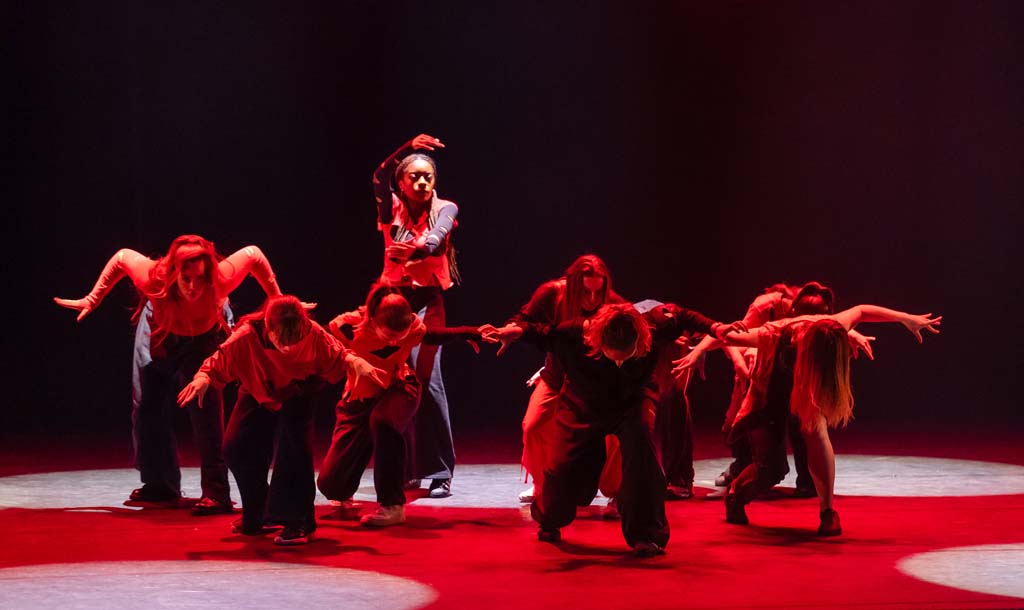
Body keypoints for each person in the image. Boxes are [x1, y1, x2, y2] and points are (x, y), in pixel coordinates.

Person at [486, 303, 742, 556]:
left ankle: (646, 535)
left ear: (640, 340)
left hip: (631, 402)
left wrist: (716, 327)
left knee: (642, 463)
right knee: (563, 468)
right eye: (613, 357)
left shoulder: (655, 325)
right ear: (597, 342)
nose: (619, 363)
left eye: (626, 357)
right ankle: (549, 520)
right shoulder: (575, 332)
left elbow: (686, 315)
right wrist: (515, 331)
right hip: (582, 403)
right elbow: (539, 331)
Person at [55, 235, 283, 515]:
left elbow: (254, 253)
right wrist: (94, 298)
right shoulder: (154, 278)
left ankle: (216, 493)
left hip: (204, 336)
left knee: (206, 408)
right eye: (186, 279)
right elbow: (123, 257)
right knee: (147, 407)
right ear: (174, 273)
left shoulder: (221, 278)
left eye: (200, 279)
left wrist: (277, 299)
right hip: (161, 333)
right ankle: (159, 484)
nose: (193, 287)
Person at [674, 304, 940, 535]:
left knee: (816, 430)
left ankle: (828, 512)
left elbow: (861, 311)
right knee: (772, 470)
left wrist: (905, 318)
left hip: (803, 389)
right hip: (770, 394)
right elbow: (728, 335)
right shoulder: (775, 335)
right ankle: (736, 495)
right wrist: (699, 351)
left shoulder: (835, 326)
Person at [177, 295, 373, 545]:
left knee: (294, 450)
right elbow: (217, 361)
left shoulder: (312, 331)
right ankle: (261, 512)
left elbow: (338, 353)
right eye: (282, 342)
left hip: (299, 389)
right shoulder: (247, 335)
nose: (288, 349)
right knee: (236, 448)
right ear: (268, 329)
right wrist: (202, 378)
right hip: (259, 388)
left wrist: (356, 362)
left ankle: (298, 522)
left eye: (294, 341)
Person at [317, 284, 481, 527]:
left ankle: (393, 505)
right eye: (388, 336)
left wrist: (470, 332)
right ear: (373, 321)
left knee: (384, 422)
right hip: (360, 396)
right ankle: (345, 485)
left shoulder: (413, 325)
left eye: (400, 336)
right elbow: (318, 338)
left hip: (399, 387)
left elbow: (433, 335)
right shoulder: (348, 326)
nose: (394, 341)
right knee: (331, 485)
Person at [483, 254, 625, 505]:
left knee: (615, 433)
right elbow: (523, 319)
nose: (593, 299)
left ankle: (616, 490)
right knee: (533, 425)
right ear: (573, 284)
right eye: (586, 292)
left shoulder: (611, 302)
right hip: (558, 373)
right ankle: (544, 485)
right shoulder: (553, 293)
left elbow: (640, 320)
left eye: (598, 292)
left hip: (595, 381)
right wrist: (511, 331)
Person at [372, 133, 460, 498]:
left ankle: (440, 471)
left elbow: (435, 241)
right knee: (395, 380)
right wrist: (408, 147)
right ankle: (407, 467)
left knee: (427, 379)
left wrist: (410, 252)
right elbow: (379, 175)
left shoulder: (446, 208)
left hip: (427, 301)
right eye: (415, 176)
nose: (422, 182)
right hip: (392, 301)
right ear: (402, 182)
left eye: (428, 176)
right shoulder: (390, 208)